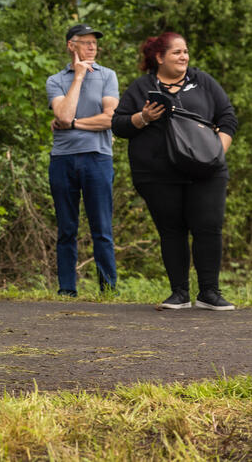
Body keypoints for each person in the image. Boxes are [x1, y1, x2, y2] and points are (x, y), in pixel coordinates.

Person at [112, 32, 238, 311]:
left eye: (185, 52)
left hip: (206, 171)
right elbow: (118, 126)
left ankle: (209, 293)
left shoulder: (202, 81)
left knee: (208, 229)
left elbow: (228, 117)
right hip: (157, 175)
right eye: (177, 52)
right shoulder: (141, 87)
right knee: (172, 231)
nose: (184, 57)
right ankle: (179, 293)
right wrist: (144, 117)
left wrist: (217, 152)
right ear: (159, 57)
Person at [45, 24, 119, 297]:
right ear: (71, 46)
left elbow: (110, 118)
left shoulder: (108, 76)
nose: (92, 47)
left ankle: (108, 290)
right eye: (85, 42)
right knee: (66, 228)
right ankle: (67, 289)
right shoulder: (56, 80)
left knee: (102, 227)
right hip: (62, 159)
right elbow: (61, 115)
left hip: (98, 158)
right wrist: (77, 77)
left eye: (94, 43)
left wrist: (74, 123)